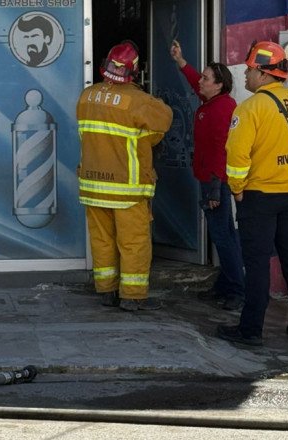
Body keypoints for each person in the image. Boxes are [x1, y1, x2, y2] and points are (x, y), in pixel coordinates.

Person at [216, 41, 288, 346]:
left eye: (250, 70)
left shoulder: (249, 109)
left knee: (257, 263)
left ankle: (251, 329)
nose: (245, 75)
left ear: (265, 74)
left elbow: (237, 156)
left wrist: (237, 189)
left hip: (258, 198)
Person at [76, 41, 173, 311]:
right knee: (133, 243)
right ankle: (131, 295)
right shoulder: (138, 101)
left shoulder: (86, 97)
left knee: (102, 241)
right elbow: (164, 119)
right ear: (135, 71)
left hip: (93, 186)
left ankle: (106, 290)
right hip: (127, 189)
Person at [170, 40, 245, 311]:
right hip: (213, 179)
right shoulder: (214, 102)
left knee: (223, 237)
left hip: (216, 182)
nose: (200, 81)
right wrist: (181, 61)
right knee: (226, 235)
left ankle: (237, 291)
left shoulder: (222, 109)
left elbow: (221, 149)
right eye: (201, 76)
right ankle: (226, 286)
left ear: (219, 85)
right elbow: (194, 84)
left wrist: (214, 187)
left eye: (206, 78)